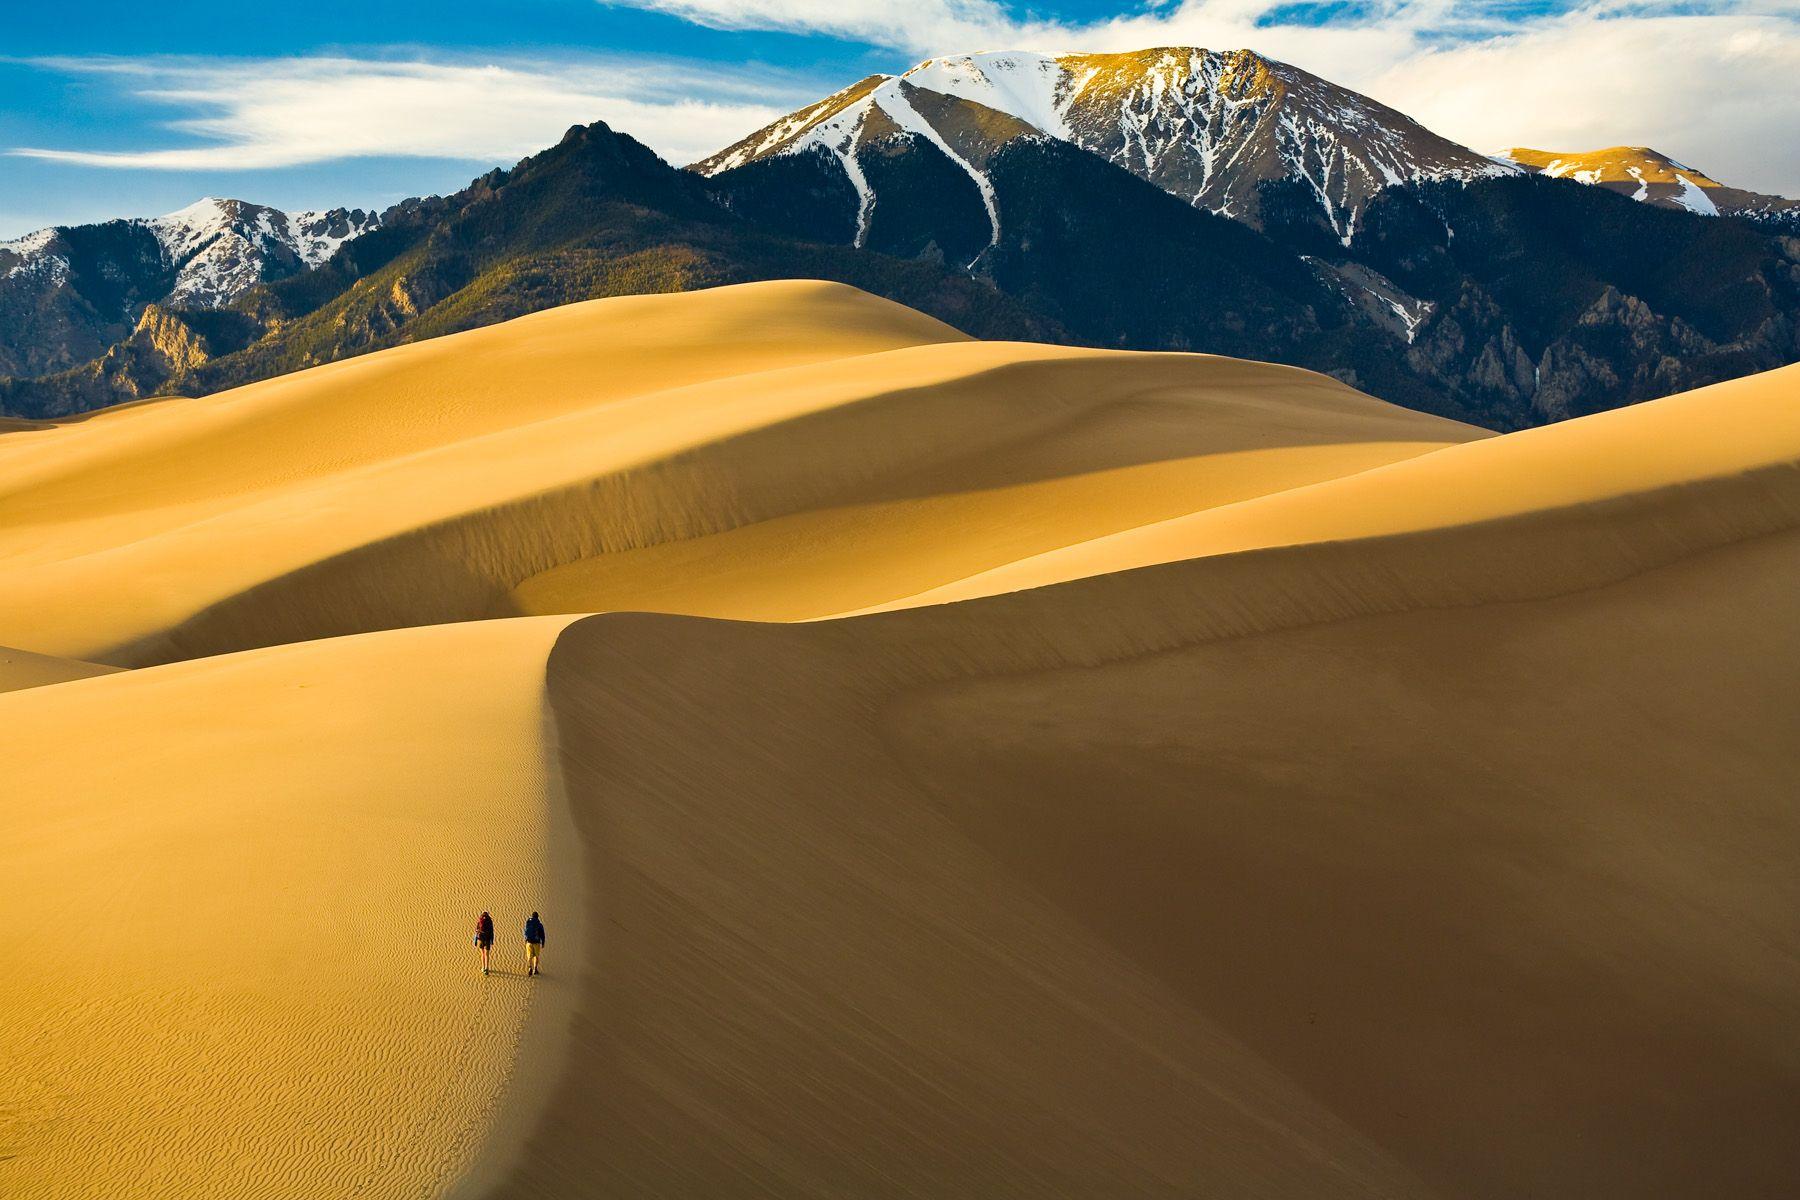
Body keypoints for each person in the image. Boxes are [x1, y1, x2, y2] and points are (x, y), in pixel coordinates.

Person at [523, 911, 546, 977]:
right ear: (537, 917)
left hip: (529, 942)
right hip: (536, 942)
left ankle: (530, 967)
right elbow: (542, 934)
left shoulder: (528, 922)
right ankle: (535, 969)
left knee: (529, 956)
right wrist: (543, 942)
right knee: (536, 956)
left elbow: (525, 931)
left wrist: (525, 939)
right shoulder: (539, 924)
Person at [474, 910, 495, 975]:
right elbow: (492, 931)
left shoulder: (480, 920)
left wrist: (475, 939)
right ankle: (487, 968)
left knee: (482, 954)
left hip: (481, 939)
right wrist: (492, 940)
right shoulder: (490, 921)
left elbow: (476, 930)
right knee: (487, 954)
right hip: (487, 939)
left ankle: (483, 967)